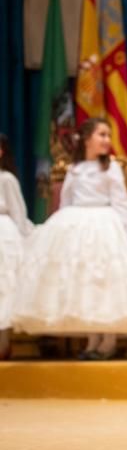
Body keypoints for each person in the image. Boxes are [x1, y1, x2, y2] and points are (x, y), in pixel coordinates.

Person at [13, 118, 127, 360]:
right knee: (84, 283)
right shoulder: (75, 169)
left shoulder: (110, 168)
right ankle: (92, 339)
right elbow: (66, 201)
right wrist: (60, 231)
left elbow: (121, 202)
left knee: (106, 281)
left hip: (105, 223)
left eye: (109, 136)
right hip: (76, 224)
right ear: (87, 138)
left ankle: (108, 340)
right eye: (101, 135)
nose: (106, 141)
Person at [0, 134, 33, 359]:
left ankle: (3, 343)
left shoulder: (6, 179)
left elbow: (18, 212)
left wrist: (25, 239)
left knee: (5, 286)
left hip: (4, 234)